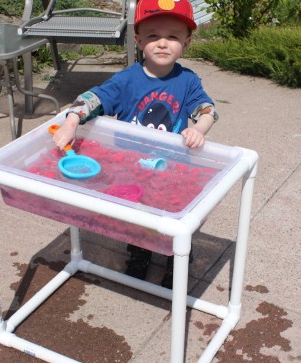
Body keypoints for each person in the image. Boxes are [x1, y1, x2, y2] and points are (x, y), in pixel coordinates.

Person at [52, 0, 219, 288]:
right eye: (153, 35)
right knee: (136, 213)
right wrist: (71, 121)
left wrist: (199, 130)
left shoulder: (188, 81)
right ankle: (138, 251)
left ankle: (176, 259)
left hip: (172, 165)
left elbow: (207, 109)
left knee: (172, 214)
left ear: (186, 42)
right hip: (130, 165)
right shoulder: (127, 80)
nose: (162, 43)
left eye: (172, 36)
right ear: (139, 40)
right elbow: (93, 99)